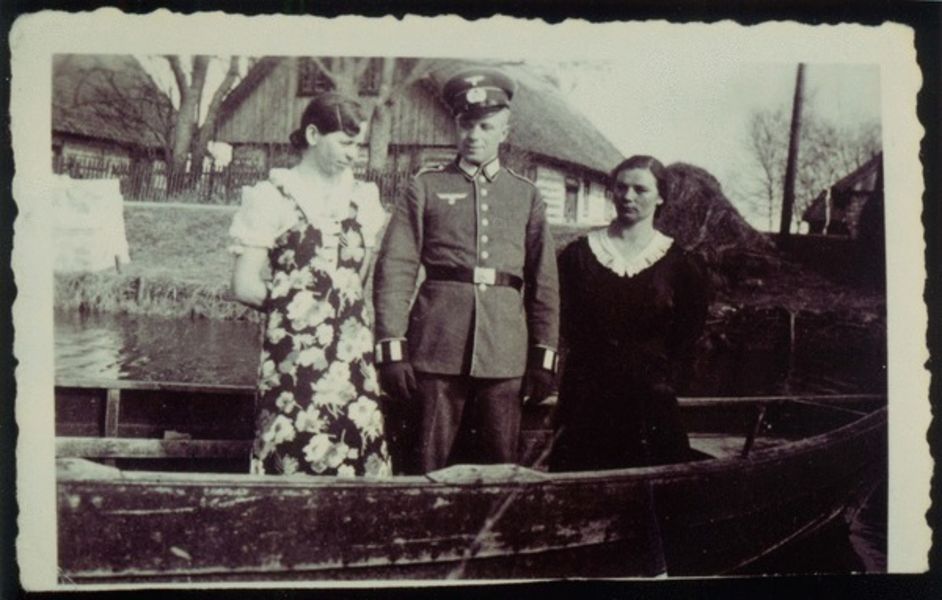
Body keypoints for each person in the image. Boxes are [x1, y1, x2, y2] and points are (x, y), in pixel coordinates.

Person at [372, 67, 560, 474]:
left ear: (504, 132)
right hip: (436, 349)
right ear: (455, 126)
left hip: (504, 354)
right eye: (466, 124)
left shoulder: (525, 195)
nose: (474, 135)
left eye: (486, 126)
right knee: (427, 465)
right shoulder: (425, 186)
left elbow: (544, 283)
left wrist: (543, 357)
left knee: (500, 468)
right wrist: (392, 349)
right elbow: (395, 270)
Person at [229, 92, 392, 477]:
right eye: (346, 143)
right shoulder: (273, 197)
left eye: (358, 146)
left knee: (356, 449)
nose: (354, 154)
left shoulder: (363, 201)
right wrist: (299, 309)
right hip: (293, 358)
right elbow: (244, 285)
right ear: (314, 134)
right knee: (291, 449)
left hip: (351, 358)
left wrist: (334, 312)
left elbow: (354, 282)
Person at [549, 155, 710, 472]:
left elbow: (688, 335)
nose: (628, 196)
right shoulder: (578, 256)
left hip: (649, 401)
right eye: (621, 187)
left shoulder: (681, 264)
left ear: (661, 196)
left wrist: (659, 377)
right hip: (586, 397)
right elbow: (564, 322)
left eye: (640, 189)